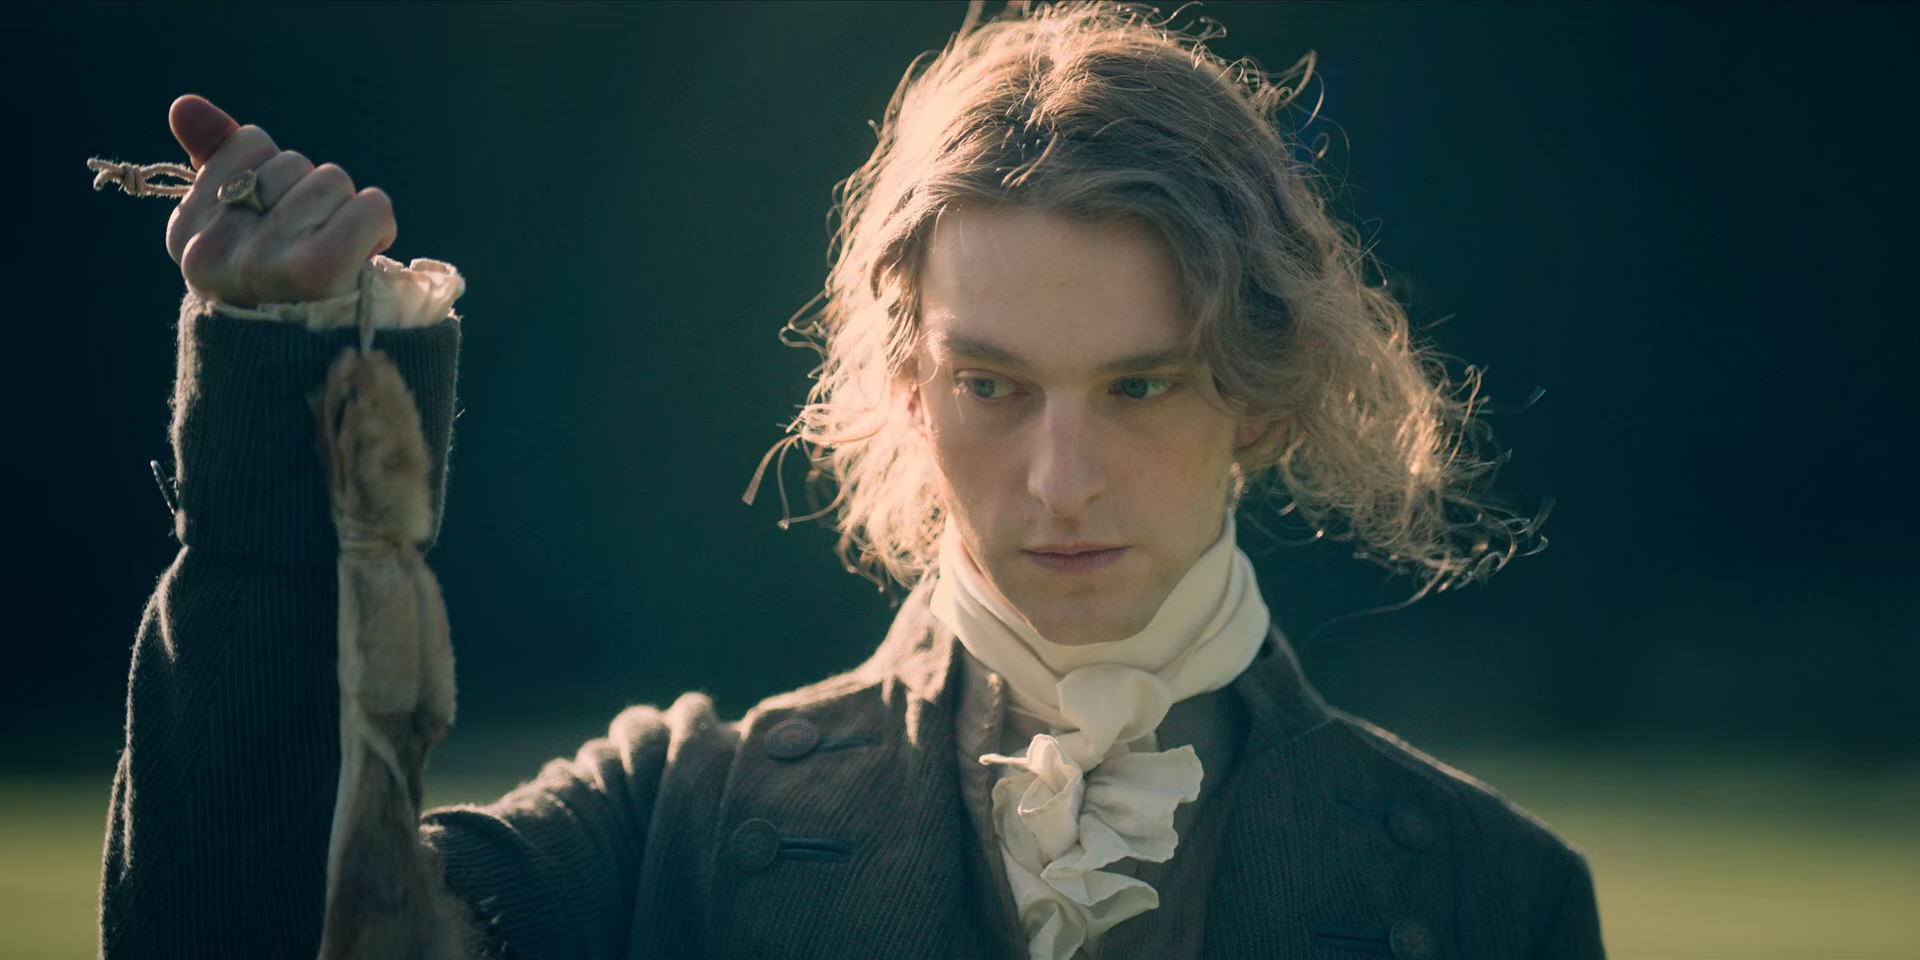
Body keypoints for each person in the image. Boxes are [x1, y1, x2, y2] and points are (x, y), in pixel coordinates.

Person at [100, 3, 1604, 958]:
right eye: (992, 387)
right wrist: (287, 402)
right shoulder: (674, 820)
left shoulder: (1494, 898)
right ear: (907, 387)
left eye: (1138, 386)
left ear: (1258, 398)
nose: (1060, 481)